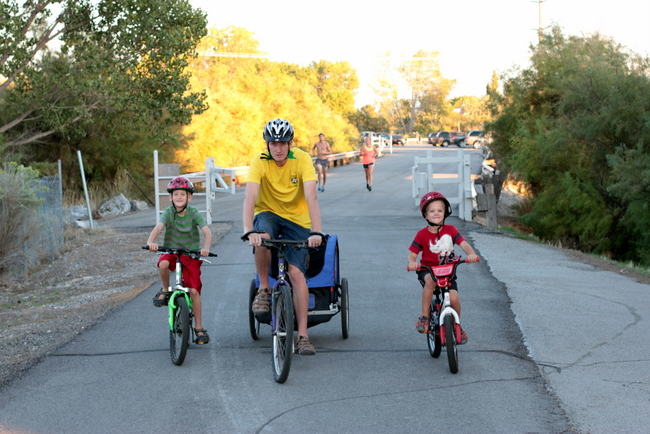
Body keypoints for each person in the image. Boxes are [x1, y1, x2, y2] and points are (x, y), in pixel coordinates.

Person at [243, 118, 324, 355]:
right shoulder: (259, 161)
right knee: (262, 235)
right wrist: (248, 230)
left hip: (298, 220)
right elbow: (249, 197)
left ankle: (303, 336)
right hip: (268, 213)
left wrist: (316, 231)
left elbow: (312, 197)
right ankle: (264, 289)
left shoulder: (302, 159)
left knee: (297, 274)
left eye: (283, 143)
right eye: (273, 143)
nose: (278, 148)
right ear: (267, 144)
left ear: (290, 143)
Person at [147, 176, 212, 344]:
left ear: (189, 197)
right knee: (163, 264)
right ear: (170, 197)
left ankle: (198, 327)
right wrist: (151, 242)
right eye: (175, 194)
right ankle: (165, 289)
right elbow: (158, 227)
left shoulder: (194, 213)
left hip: (190, 254)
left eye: (183, 194)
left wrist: (205, 248)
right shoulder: (168, 212)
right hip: (172, 251)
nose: (179, 197)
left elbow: (207, 232)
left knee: (194, 291)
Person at [406, 191, 479, 343]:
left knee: (454, 299)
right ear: (425, 215)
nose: (436, 213)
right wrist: (412, 262)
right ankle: (424, 316)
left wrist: (471, 254)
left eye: (440, 210)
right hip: (428, 270)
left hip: (448, 271)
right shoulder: (422, 234)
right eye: (432, 211)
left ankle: (456, 325)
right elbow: (412, 254)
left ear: (445, 212)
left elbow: (464, 244)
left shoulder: (451, 230)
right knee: (431, 282)